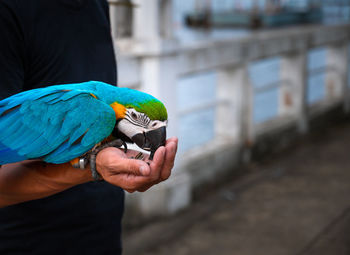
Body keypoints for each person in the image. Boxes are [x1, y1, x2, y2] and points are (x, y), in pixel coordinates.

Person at [0, 0, 178, 254]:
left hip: (103, 233)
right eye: (140, 120)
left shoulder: (97, 5)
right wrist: (95, 166)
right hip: (30, 241)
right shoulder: (9, 10)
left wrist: (107, 159)